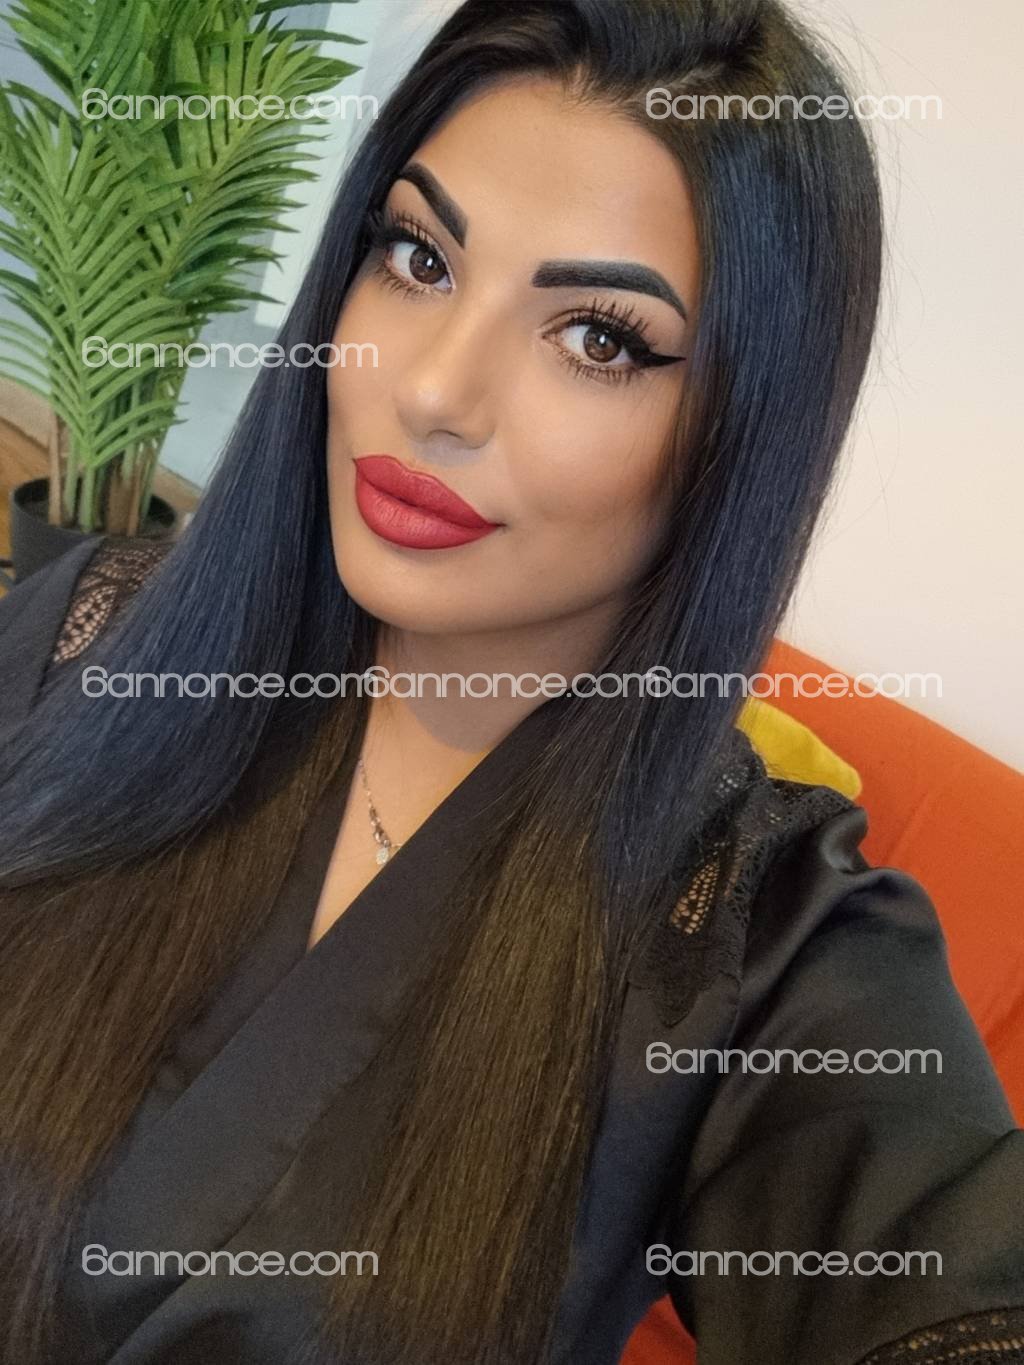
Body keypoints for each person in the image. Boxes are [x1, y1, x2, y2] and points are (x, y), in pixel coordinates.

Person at [0, 2, 1021, 1362]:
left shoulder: (753, 945)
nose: (433, 390)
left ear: (741, 430)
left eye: (597, 337)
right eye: (418, 257)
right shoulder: (87, 645)